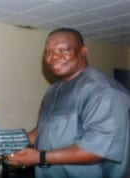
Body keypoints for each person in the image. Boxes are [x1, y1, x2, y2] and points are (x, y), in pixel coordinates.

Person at [7, 28, 130, 178]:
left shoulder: (104, 91)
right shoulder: (53, 90)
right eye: (48, 52)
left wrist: (40, 157)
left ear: (83, 51)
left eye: (63, 50)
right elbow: (44, 130)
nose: (53, 58)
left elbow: (97, 150)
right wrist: (7, 143)